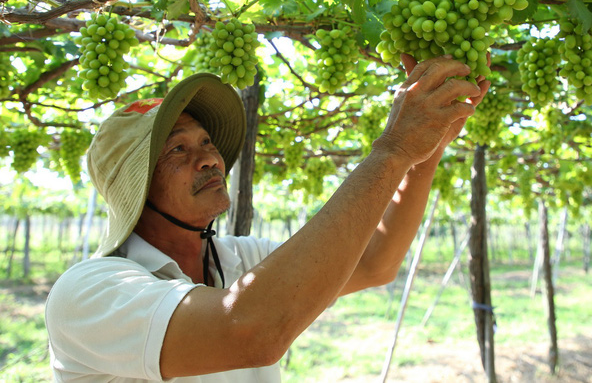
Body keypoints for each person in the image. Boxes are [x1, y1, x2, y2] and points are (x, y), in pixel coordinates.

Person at [44, 54, 490, 382]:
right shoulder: (89, 292)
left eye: (206, 142)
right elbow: (249, 331)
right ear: (135, 189)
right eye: (178, 149)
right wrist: (392, 150)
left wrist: (426, 151)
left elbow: (375, 263)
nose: (208, 160)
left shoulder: (239, 259)